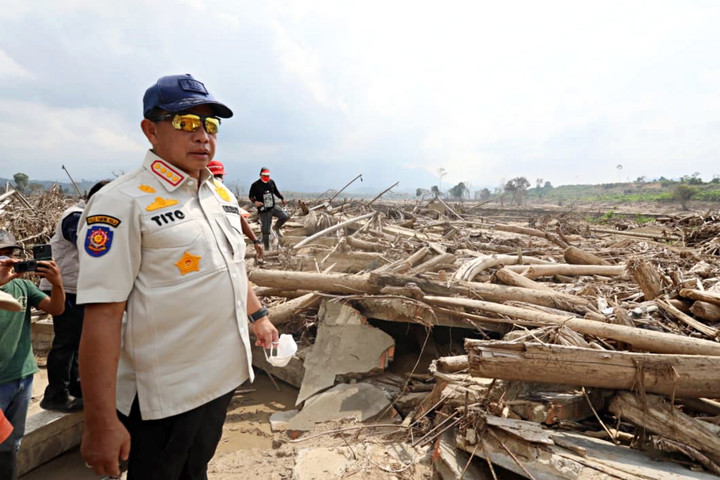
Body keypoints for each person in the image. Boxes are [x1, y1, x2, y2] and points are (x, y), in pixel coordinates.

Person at [76, 73, 279, 479]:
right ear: (151, 130)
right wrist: (99, 421)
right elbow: (102, 315)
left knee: (195, 469)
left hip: (221, 379)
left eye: (211, 125)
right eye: (186, 123)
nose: (203, 136)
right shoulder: (122, 202)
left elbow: (231, 266)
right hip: (166, 395)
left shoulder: (218, 194)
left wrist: (258, 316)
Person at [39, 180, 109, 413]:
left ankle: (75, 389)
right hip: (64, 287)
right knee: (67, 341)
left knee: (78, 340)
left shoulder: (91, 216)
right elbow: (89, 245)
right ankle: (56, 395)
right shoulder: (76, 216)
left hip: (76, 287)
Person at [0, 229, 65, 479]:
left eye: (10, 255)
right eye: (1, 256)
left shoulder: (24, 286)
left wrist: (57, 283)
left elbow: (56, 309)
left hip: (23, 377)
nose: (7, 261)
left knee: (12, 443)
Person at [208, 160, 264, 260]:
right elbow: (239, 218)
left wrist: (255, 240)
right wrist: (255, 240)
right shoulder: (228, 194)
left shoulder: (202, 194)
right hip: (232, 248)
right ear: (222, 176)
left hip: (217, 249)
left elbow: (239, 218)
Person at [248, 167, 289, 249]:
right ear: (260, 175)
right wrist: (255, 202)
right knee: (266, 230)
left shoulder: (271, 182)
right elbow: (251, 196)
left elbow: (276, 191)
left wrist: (282, 198)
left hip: (273, 206)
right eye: (264, 176)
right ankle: (267, 248)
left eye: (268, 176)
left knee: (285, 216)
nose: (266, 177)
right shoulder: (255, 185)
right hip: (264, 209)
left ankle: (276, 227)